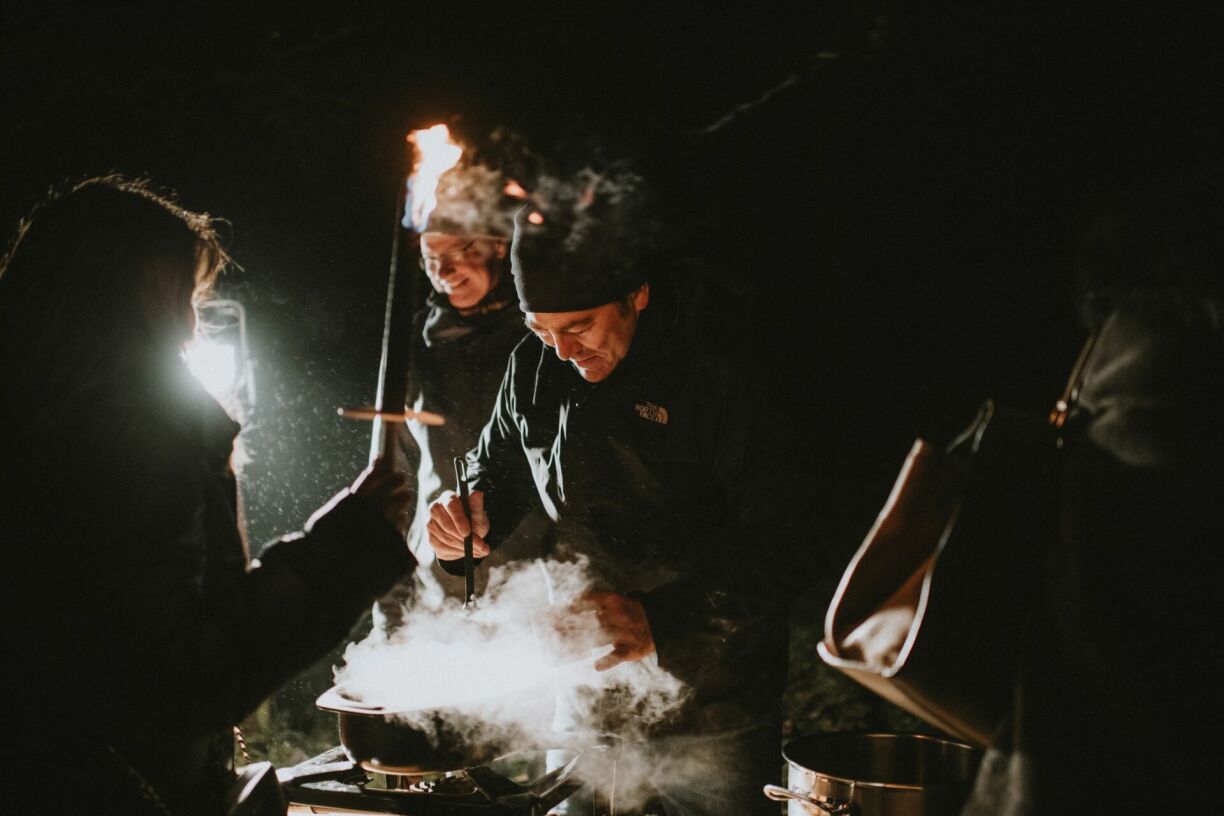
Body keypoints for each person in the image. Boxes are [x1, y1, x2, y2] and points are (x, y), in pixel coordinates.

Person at [0, 176, 417, 814]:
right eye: (187, 297)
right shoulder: (125, 443)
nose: (193, 322)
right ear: (138, 300)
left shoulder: (36, 417)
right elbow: (177, 681)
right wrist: (347, 546)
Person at [426, 168, 815, 815]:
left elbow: (792, 538)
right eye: (541, 329)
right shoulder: (536, 364)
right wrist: (466, 519)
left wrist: (661, 620)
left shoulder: (720, 372)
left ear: (636, 293)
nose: (562, 351)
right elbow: (497, 471)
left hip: (713, 692)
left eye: (578, 327)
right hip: (584, 683)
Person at [374, 161, 548, 627]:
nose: (444, 271)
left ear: (497, 244)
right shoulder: (415, 346)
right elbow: (398, 475)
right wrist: (390, 605)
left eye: (458, 252)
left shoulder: (543, 341)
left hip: (538, 586)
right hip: (438, 587)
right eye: (431, 260)